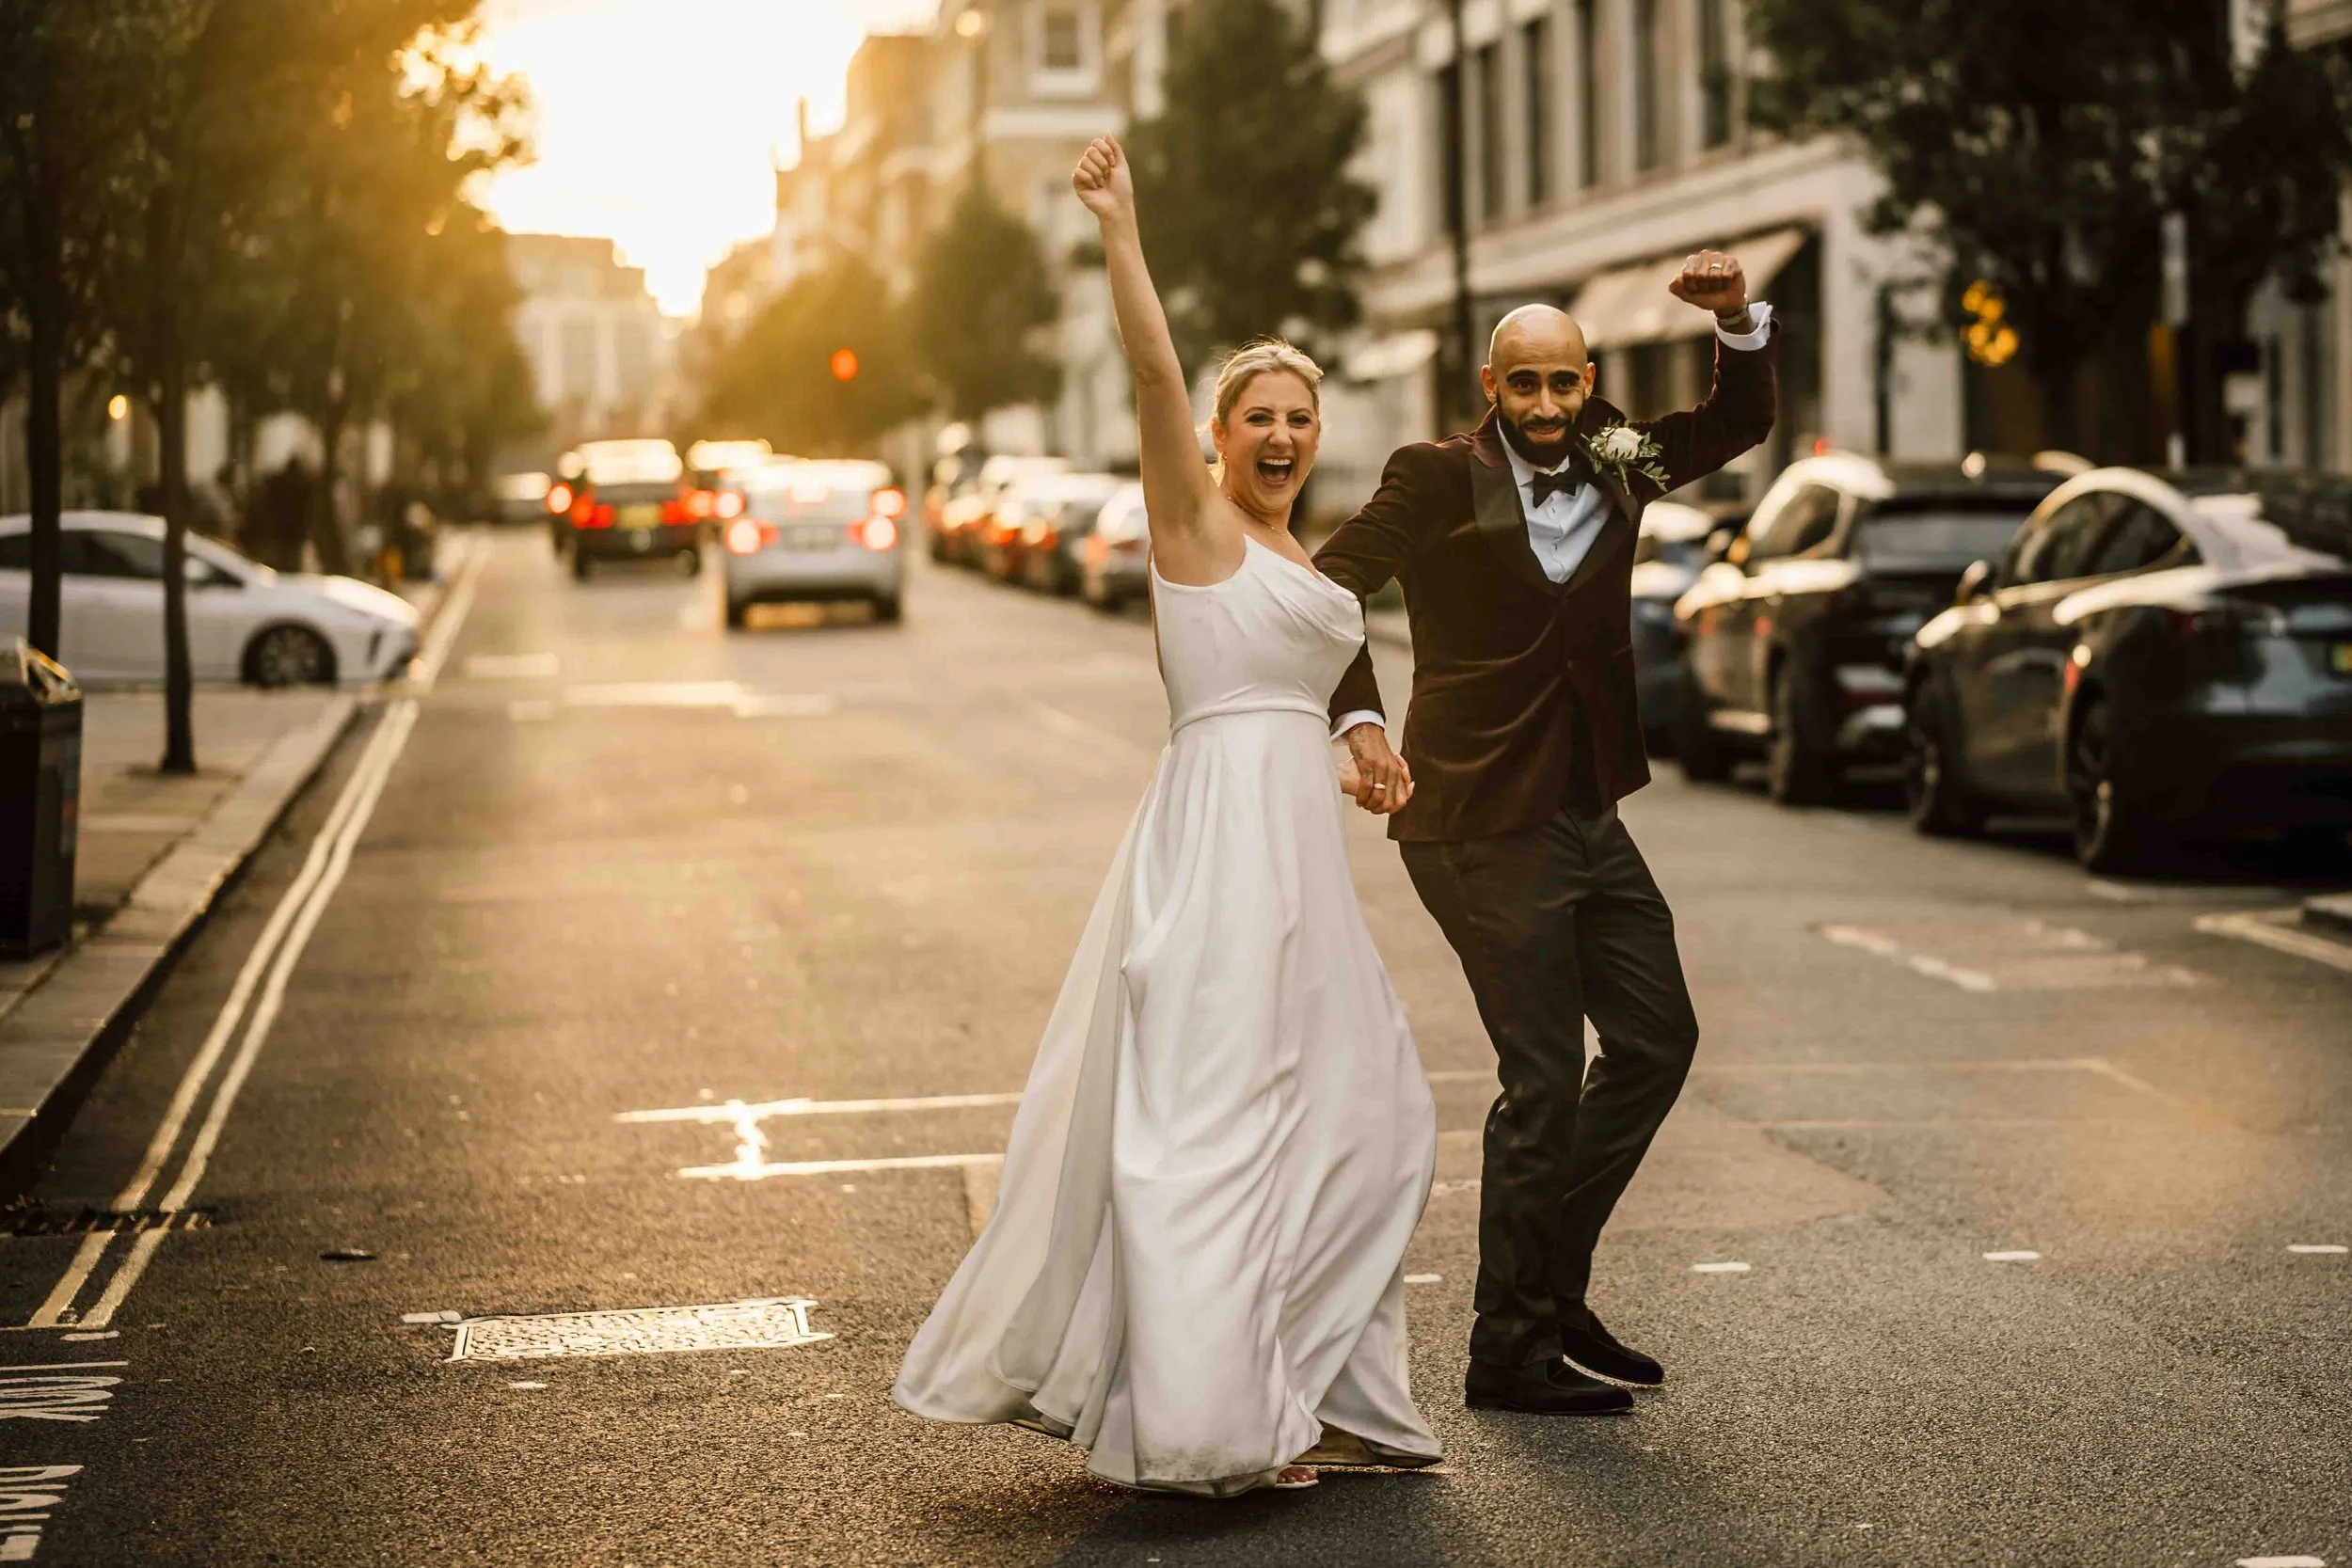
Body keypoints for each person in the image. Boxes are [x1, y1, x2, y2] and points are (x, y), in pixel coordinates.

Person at [892, 135, 1441, 1497]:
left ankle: (1325, 1384)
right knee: (1213, 1128)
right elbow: (1148, 367)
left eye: (1299, 418)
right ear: (1216, 431)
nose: (1280, 434)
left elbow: (1314, 661)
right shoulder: (1191, 524)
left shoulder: (1301, 550)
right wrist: (1121, 229)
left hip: (1302, 859)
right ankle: (1208, 1422)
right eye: (1257, 414)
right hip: (1219, 852)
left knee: (1365, 1112)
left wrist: (1363, 733)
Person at [1314, 261, 1777, 1416]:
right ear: (1491, 384)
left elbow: (1741, 417)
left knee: (1657, 1038)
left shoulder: (1620, 452)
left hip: (1586, 806)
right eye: (1522, 384)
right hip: (1472, 812)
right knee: (1542, 1076)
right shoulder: (1434, 475)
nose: (1545, 404)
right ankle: (1506, 1348)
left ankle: (1548, 1287)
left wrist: (1731, 320)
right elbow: (1326, 592)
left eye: (1562, 382)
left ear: (1586, 380)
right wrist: (1361, 717)